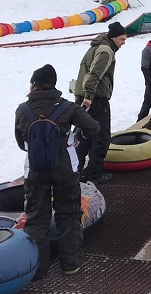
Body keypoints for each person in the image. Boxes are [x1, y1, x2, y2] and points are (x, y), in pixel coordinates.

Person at [15, 64, 99, 279]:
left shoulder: (22, 110)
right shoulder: (68, 107)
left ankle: (39, 269)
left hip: (35, 169)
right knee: (68, 214)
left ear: (34, 84)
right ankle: (71, 264)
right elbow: (94, 128)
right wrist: (75, 139)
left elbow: (20, 142)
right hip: (65, 168)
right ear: (53, 84)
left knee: (36, 218)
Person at [73, 21, 127, 185]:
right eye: (122, 39)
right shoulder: (106, 50)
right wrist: (89, 96)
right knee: (101, 136)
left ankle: (76, 170)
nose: (123, 43)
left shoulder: (96, 47)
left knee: (84, 135)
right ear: (113, 37)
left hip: (83, 95)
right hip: (95, 99)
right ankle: (94, 173)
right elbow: (93, 74)